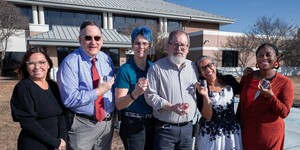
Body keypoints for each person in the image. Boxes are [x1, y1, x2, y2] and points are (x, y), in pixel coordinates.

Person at [56, 21, 115, 150]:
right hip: (83, 126)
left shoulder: (106, 59)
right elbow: (69, 99)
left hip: (106, 124)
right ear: (80, 39)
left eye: (97, 38)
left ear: (102, 40)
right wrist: (97, 92)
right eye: (88, 38)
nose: (93, 42)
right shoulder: (69, 63)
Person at [144, 30, 198, 150]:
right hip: (165, 130)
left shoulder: (193, 67)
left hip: (188, 129)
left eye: (183, 45)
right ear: (168, 46)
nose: (179, 48)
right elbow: (149, 95)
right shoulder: (156, 68)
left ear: (188, 47)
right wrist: (171, 107)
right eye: (175, 44)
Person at [237, 43, 294, 150]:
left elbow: (284, 112)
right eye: (260, 55)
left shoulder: (284, 82)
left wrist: (271, 96)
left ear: (276, 58)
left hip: (269, 136)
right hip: (247, 132)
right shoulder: (247, 78)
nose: (264, 58)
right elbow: (242, 104)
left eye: (268, 55)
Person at [10, 47, 67, 150]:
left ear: (48, 65)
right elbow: (27, 122)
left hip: (57, 144)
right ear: (26, 67)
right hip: (34, 144)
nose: (37, 67)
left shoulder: (53, 86)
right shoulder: (23, 88)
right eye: (31, 63)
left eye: (42, 62)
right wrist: (54, 142)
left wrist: (62, 139)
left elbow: (61, 115)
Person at [114, 26, 154, 150]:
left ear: (151, 46)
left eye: (144, 43)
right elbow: (119, 104)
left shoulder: (154, 68)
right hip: (133, 123)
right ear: (132, 46)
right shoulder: (125, 70)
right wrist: (135, 93)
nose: (141, 47)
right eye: (137, 43)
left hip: (153, 122)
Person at [194, 55, 242, 150]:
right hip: (210, 134)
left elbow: (245, 95)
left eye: (210, 65)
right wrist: (206, 96)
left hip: (231, 132)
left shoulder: (229, 80)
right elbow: (207, 116)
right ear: (200, 72)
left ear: (215, 65)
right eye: (203, 68)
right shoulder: (200, 89)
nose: (208, 69)